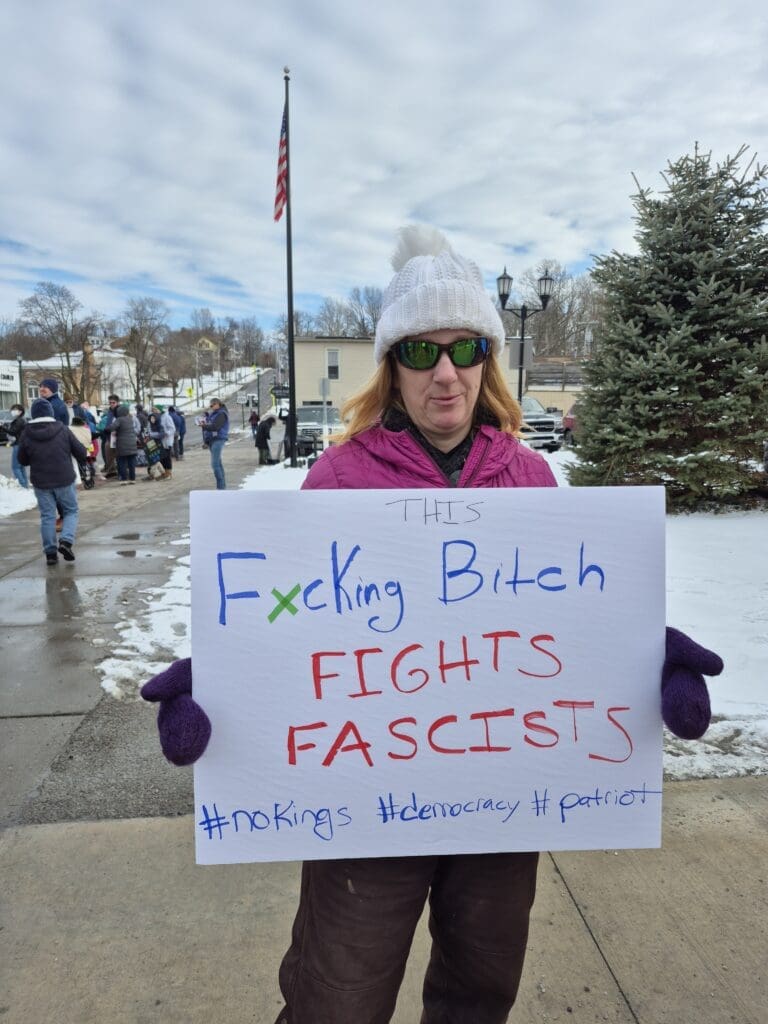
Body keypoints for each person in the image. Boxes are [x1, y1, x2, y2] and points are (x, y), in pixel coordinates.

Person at [140, 227, 725, 1024]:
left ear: (489, 358)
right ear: (392, 365)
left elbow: (570, 615)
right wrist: (221, 677)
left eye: (466, 348)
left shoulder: (531, 476)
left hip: (501, 794)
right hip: (365, 802)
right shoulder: (337, 479)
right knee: (335, 996)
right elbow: (286, 614)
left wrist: (642, 656)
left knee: (481, 989)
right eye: (420, 352)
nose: (445, 373)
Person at [17, 397, 88, 565]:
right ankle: (66, 541)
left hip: (41, 481)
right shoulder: (62, 429)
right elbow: (81, 452)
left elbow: (22, 460)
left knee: (47, 516)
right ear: (51, 412)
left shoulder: (27, 432)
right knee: (71, 511)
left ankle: (50, 553)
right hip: (64, 478)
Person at [200, 397, 229, 489]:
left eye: (212, 405)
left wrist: (204, 425)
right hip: (212, 439)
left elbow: (215, 426)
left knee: (215, 464)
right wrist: (206, 418)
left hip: (218, 439)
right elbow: (210, 423)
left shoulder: (221, 413)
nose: (211, 407)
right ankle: (222, 486)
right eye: (210, 405)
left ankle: (220, 487)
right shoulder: (215, 414)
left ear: (217, 404)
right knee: (218, 463)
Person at [112, 404, 139, 484]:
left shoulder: (119, 419)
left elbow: (113, 427)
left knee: (122, 462)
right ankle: (132, 479)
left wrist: (108, 430)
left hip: (122, 444)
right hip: (132, 443)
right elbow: (135, 429)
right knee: (131, 462)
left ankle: (124, 479)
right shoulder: (131, 419)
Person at [7, 404, 29, 488]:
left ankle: (23, 485)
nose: (12, 411)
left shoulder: (19, 420)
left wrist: (2, 427)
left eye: (15, 409)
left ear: (20, 411)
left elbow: (13, 432)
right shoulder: (21, 420)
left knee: (15, 467)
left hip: (18, 445)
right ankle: (25, 486)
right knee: (21, 467)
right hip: (21, 444)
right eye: (12, 409)